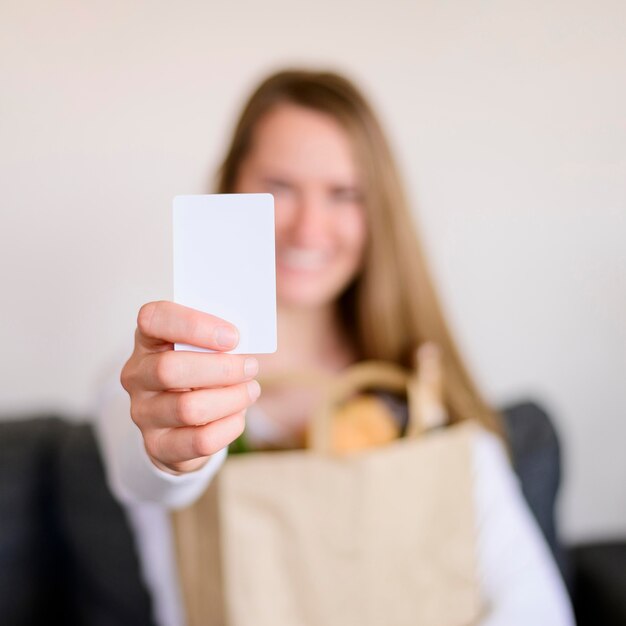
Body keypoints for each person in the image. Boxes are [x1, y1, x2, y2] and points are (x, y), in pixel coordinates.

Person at [96, 69, 574, 625]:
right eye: (280, 186)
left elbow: (531, 606)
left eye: (344, 194)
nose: (308, 228)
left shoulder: (421, 392)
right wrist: (175, 450)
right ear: (230, 189)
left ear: (378, 215)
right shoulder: (155, 380)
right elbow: (149, 476)